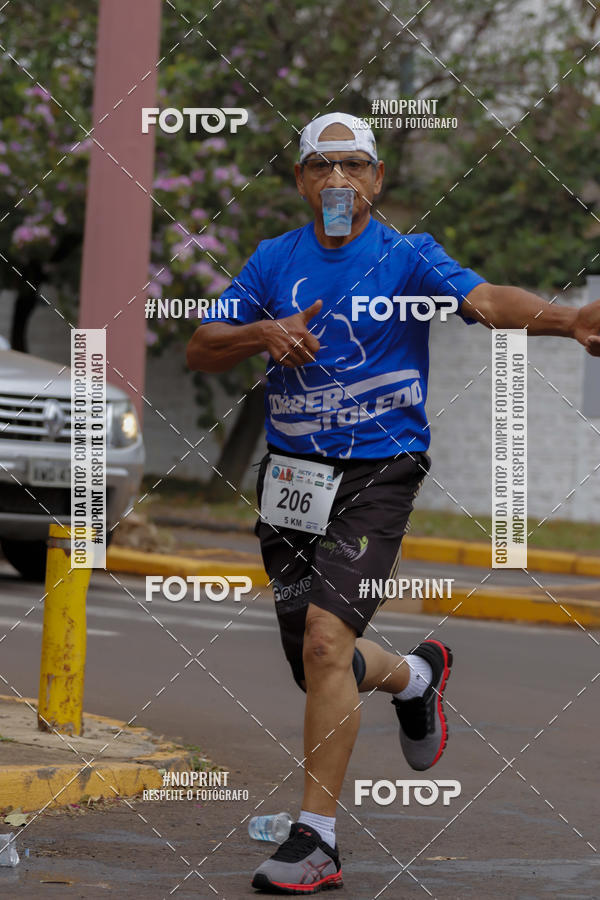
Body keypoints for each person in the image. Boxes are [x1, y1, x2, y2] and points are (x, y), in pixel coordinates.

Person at [186, 111, 600, 894]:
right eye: (320, 166)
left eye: (352, 166)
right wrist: (263, 333)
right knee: (317, 663)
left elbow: (487, 302)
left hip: (380, 472)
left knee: (322, 644)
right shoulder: (274, 261)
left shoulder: (407, 257)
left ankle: (318, 840)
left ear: (377, 178)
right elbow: (201, 345)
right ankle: (413, 678)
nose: (336, 180)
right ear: (301, 181)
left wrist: (569, 319)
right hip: (292, 478)